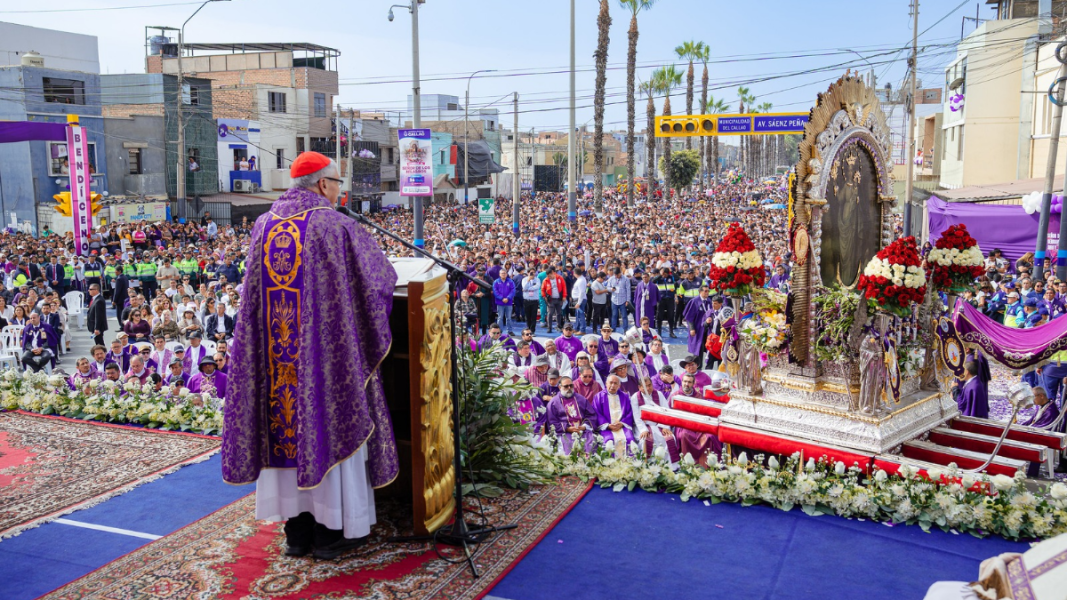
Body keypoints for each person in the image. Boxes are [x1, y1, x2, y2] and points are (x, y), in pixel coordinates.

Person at [222, 151, 399, 561]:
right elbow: (380, 281)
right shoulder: (334, 225)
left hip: (274, 364)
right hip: (324, 362)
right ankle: (334, 531)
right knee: (328, 423)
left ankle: (297, 533)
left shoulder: (263, 225)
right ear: (323, 184)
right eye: (338, 183)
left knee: (282, 428)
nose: (340, 190)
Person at [671, 373, 724, 466]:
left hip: (698, 424)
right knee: (684, 436)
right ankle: (688, 465)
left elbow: (704, 412)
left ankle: (708, 465)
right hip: (683, 425)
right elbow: (671, 414)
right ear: (682, 382)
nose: (686, 384)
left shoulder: (699, 396)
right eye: (685, 381)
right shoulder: (675, 396)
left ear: (693, 383)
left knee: (710, 436)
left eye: (689, 382)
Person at [546, 375, 599, 455]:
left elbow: (591, 415)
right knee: (568, 447)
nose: (569, 388)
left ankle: (589, 466)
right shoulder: (553, 403)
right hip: (565, 432)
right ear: (560, 387)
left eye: (571, 386)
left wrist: (585, 426)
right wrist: (567, 428)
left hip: (583, 431)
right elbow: (552, 422)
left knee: (591, 443)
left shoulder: (582, 399)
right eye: (566, 386)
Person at [632, 376, 680, 464]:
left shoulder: (659, 394)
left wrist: (665, 426)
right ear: (639, 387)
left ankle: (669, 466)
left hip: (659, 425)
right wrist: (643, 430)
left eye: (649, 385)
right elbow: (636, 416)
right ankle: (649, 466)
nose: (648, 388)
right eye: (645, 386)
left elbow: (665, 411)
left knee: (670, 438)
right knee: (645, 440)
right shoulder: (635, 397)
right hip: (644, 426)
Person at [592, 374, 636, 455]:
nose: (613, 385)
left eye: (615, 383)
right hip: (607, 428)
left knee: (629, 439)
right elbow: (596, 413)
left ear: (619, 385)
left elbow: (629, 412)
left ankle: (629, 466)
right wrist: (608, 425)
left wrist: (622, 423)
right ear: (606, 384)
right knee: (608, 440)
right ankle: (609, 465)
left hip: (622, 427)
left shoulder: (625, 396)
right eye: (611, 383)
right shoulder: (598, 397)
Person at [542, 266, 567, 332]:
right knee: (550, 313)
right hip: (550, 299)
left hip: (559, 298)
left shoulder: (560, 278)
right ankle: (549, 327)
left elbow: (564, 287)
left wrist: (564, 296)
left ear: (553, 273)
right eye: (548, 276)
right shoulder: (546, 280)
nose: (549, 277)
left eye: (550, 275)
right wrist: (544, 296)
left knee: (559, 313)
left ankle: (559, 326)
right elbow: (542, 289)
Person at [493, 268, 516, 336]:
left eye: (505, 273)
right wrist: (501, 298)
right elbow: (495, 291)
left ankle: (510, 330)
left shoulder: (510, 281)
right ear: (499, 274)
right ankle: (499, 331)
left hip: (508, 302)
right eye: (502, 273)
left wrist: (508, 298)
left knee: (508, 317)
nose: (503, 274)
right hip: (500, 302)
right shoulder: (496, 282)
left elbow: (513, 291)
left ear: (507, 274)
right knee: (500, 317)